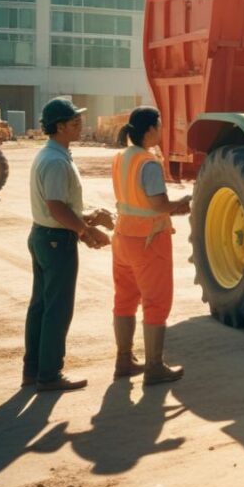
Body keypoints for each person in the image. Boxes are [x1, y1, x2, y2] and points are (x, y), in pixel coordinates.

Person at [24, 98, 113, 392]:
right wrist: (85, 231)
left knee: (41, 306)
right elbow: (57, 207)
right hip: (55, 240)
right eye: (75, 122)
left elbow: (59, 207)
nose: (81, 125)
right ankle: (49, 374)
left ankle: (33, 370)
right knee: (57, 309)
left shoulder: (53, 155)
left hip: (44, 236)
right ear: (60, 126)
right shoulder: (55, 161)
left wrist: (87, 217)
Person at [110, 106, 191, 385]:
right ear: (150, 130)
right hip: (149, 239)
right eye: (160, 125)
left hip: (123, 236)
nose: (162, 130)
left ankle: (124, 359)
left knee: (124, 299)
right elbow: (158, 204)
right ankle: (154, 365)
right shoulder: (149, 163)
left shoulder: (122, 157)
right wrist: (182, 205)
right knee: (155, 302)